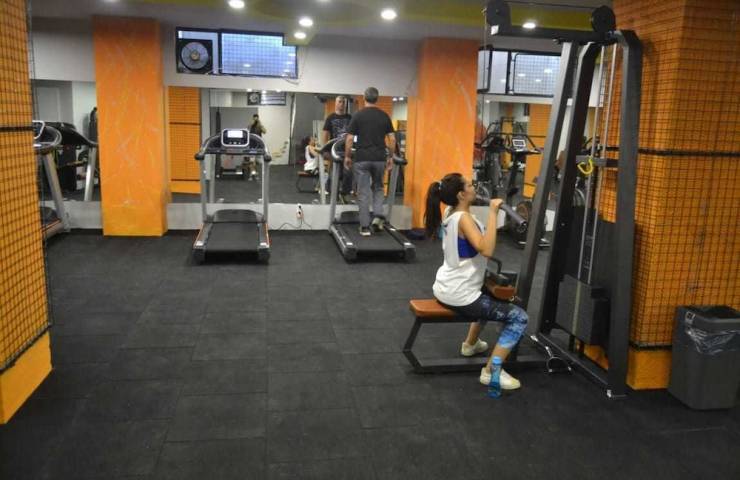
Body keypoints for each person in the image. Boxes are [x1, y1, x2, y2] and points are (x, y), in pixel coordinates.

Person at [424, 173, 529, 390]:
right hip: (460, 294)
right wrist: (493, 213)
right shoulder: (464, 219)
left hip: (445, 286)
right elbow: (487, 249)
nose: (475, 188)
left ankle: (470, 344)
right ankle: (491, 372)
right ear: (461, 195)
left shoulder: (450, 211)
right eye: (470, 186)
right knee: (519, 318)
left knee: (488, 295)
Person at [344, 87, 395, 236]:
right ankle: (378, 216)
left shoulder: (358, 115)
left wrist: (347, 156)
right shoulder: (384, 116)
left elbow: (349, 139)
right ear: (377, 98)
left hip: (362, 159)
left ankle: (365, 227)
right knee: (378, 188)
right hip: (379, 159)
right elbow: (392, 139)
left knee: (363, 192)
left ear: (364, 97)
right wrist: (391, 157)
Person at [322, 95, 353, 203]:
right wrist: (325, 149)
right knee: (334, 174)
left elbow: (354, 133)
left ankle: (344, 194)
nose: (342, 104)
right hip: (334, 151)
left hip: (347, 151)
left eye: (343, 102)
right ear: (336, 103)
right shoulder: (330, 117)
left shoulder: (350, 118)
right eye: (340, 102)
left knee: (348, 174)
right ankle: (333, 196)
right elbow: (325, 134)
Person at [247, 114, 266, 180]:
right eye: (254, 118)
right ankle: (251, 175)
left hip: (258, 146)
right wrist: (251, 123)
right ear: (253, 118)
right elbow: (247, 129)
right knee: (252, 161)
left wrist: (260, 124)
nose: (255, 120)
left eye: (256, 118)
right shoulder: (250, 125)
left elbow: (265, 131)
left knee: (257, 162)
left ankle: (255, 174)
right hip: (252, 146)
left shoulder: (259, 126)